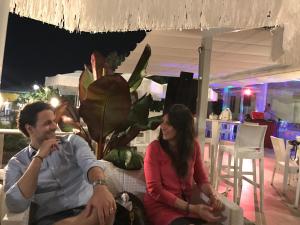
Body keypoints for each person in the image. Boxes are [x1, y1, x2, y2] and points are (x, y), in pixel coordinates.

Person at [4, 101, 116, 225]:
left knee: (104, 209)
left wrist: (100, 186)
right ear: (30, 128)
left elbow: (90, 163)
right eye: (47, 123)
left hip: (87, 209)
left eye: (53, 121)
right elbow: (15, 204)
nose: (54, 127)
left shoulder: (72, 143)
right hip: (51, 218)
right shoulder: (17, 163)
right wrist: (39, 157)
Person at [143, 104, 224, 225]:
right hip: (160, 208)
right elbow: (155, 189)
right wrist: (192, 208)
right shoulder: (154, 149)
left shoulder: (193, 146)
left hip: (184, 207)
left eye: (168, 124)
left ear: (182, 128)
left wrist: (213, 196)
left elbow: (201, 178)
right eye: (163, 122)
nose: (162, 127)